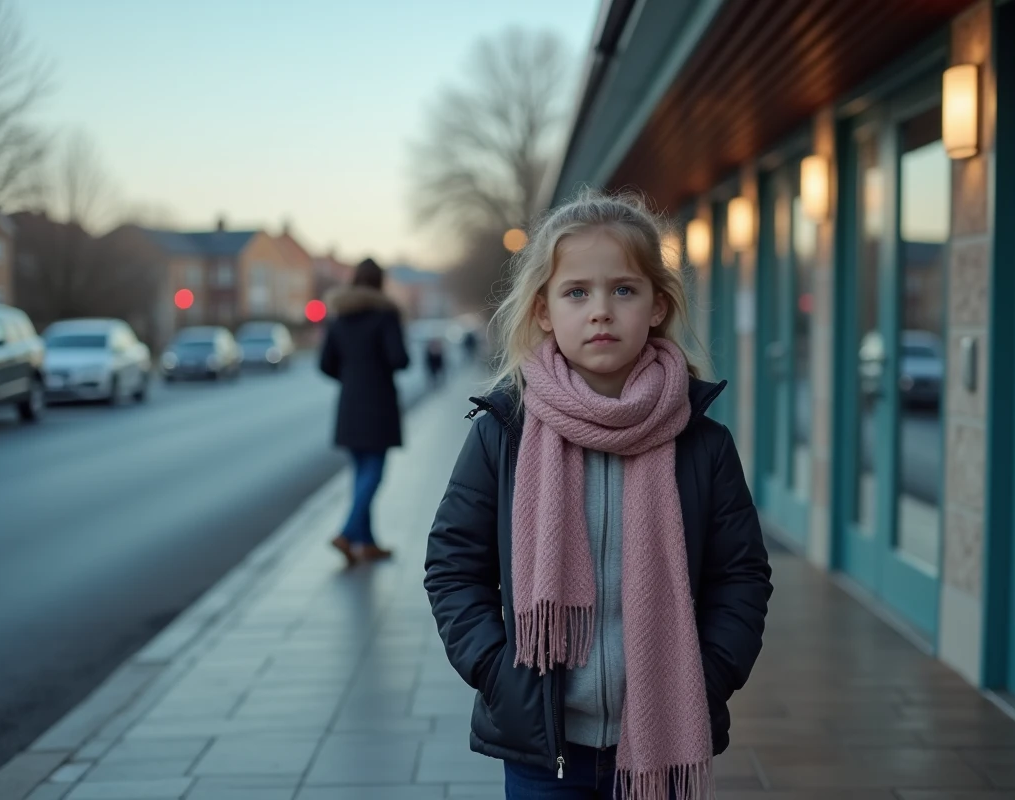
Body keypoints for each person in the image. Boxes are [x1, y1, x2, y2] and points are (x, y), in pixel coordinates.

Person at [423, 190, 773, 800]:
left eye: (624, 290)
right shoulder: (503, 433)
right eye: (577, 292)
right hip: (544, 749)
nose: (601, 311)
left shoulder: (702, 442)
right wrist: (500, 676)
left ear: (658, 306)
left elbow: (741, 577)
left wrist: (706, 677)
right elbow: (453, 569)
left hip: (664, 740)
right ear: (544, 310)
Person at [320, 257, 410, 565]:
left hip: (349, 403)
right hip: (379, 403)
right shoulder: (385, 315)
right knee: (373, 473)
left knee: (360, 472)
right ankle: (346, 534)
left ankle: (366, 542)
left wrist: (351, 376)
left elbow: (325, 364)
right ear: (380, 282)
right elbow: (399, 359)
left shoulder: (340, 316)